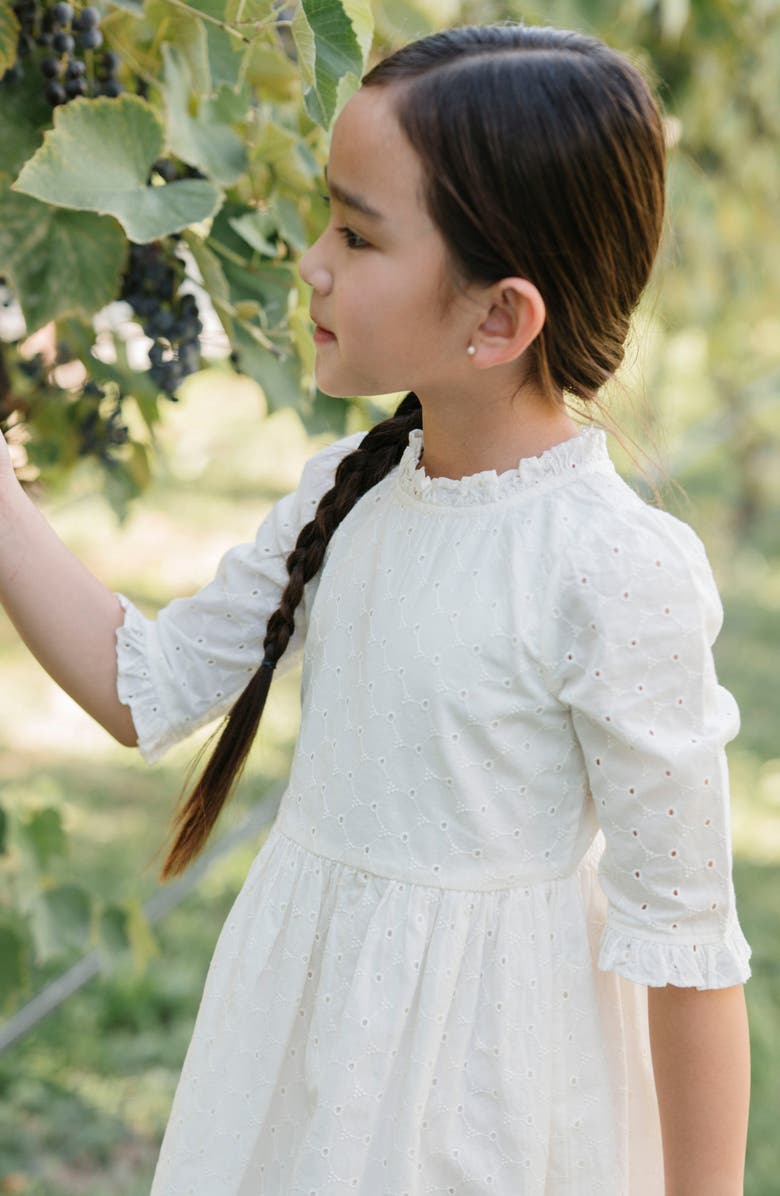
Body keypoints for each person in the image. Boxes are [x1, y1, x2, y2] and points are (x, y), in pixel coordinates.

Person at [0, 20, 752, 1196]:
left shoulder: (611, 570)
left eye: (356, 233)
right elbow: (142, 688)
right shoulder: (344, 495)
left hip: (487, 1108)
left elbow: (688, 949)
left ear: (498, 318)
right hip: (301, 1071)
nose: (309, 260)